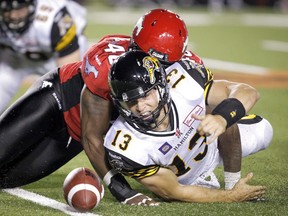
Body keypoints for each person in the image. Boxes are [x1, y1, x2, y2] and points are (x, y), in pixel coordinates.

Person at [0, 8, 270, 205]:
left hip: (73, 137)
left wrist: (222, 119)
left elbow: (233, 96)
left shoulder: (181, 67)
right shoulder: (106, 64)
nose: (161, 71)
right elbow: (92, 137)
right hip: (57, 99)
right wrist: (122, 191)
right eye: (158, 62)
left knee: (7, 179)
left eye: (167, 64)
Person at [104, 50, 273, 202]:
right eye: (131, 102)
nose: (140, 108)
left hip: (213, 146)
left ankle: (232, 181)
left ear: (161, 86)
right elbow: (175, 191)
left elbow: (248, 92)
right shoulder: (122, 145)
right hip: (185, 180)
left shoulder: (183, 80)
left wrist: (221, 118)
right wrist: (232, 197)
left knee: (264, 130)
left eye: (146, 96)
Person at [0, 0, 88, 114]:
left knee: (72, 100)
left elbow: (69, 76)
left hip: (54, 59)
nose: (13, 16)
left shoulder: (53, 19)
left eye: (19, 10)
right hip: (15, 59)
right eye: (7, 10)